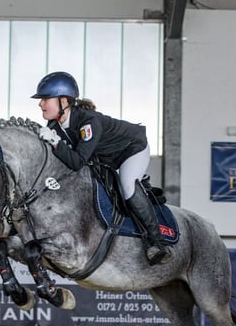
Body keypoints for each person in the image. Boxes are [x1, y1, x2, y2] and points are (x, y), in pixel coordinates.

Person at [32, 71, 171, 265]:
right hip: (108, 160)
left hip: (132, 149)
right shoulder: (55, 126)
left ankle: (157, 242)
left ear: (63, 101)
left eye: (45, 99)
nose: (40, 104)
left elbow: (77, 161)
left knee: (127, 183)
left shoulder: (89, 122)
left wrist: (56, 144)